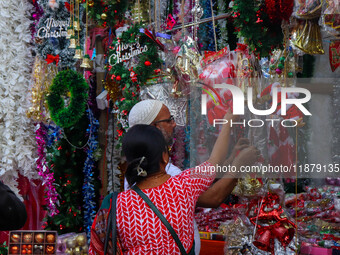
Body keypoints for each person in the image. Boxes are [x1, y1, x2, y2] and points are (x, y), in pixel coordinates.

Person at [90, 115, 259, 254]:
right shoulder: (183, 186)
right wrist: (228, 120)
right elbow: (215, 160)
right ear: (164, 157)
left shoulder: (114, 204)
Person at [124, 99, 251, 254]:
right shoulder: (176, 183)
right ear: (154, 128)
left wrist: (232, 159)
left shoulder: (125, 193)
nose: (174, 124)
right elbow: (212, 195)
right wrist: (238, 161)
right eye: (169, 120)